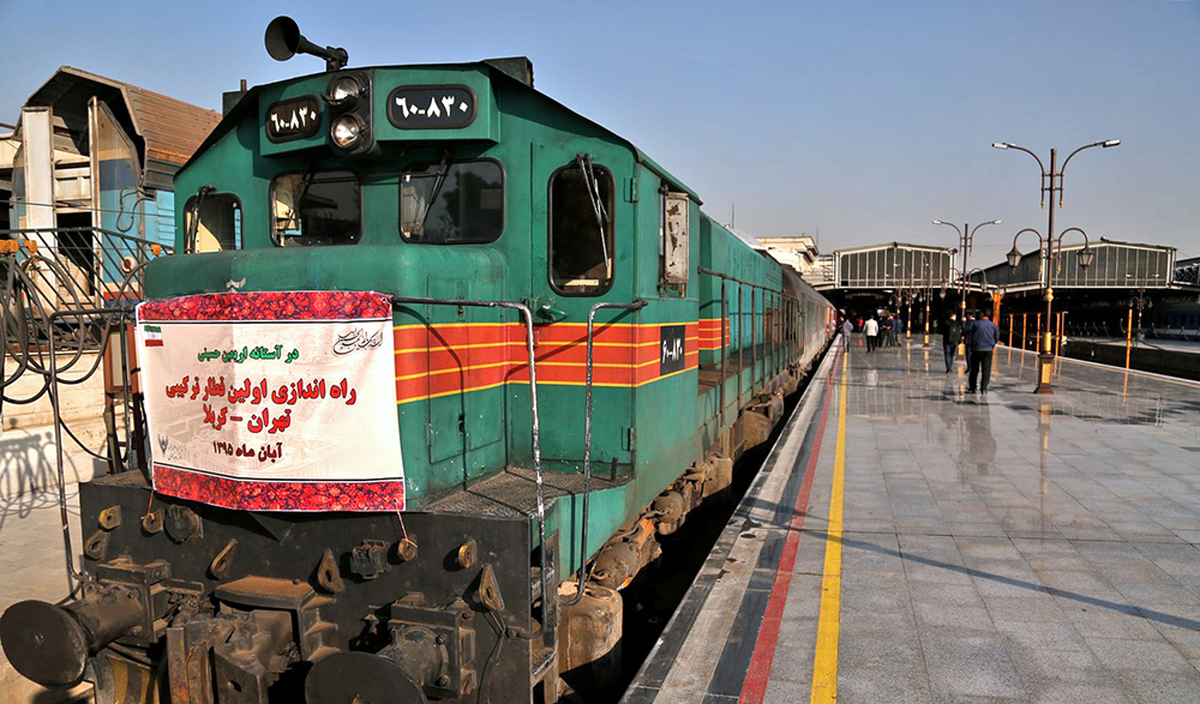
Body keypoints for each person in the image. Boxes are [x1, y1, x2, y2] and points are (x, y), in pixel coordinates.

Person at [965, 312, 1000, 394]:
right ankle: (983, 388)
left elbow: (968, 332)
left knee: (974, 369)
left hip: (976, 349)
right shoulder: (993, 325)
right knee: (986, 370)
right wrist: (992, 345)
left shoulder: (975, 324)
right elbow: (996, 337)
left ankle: (973, 387)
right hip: (988, 350)